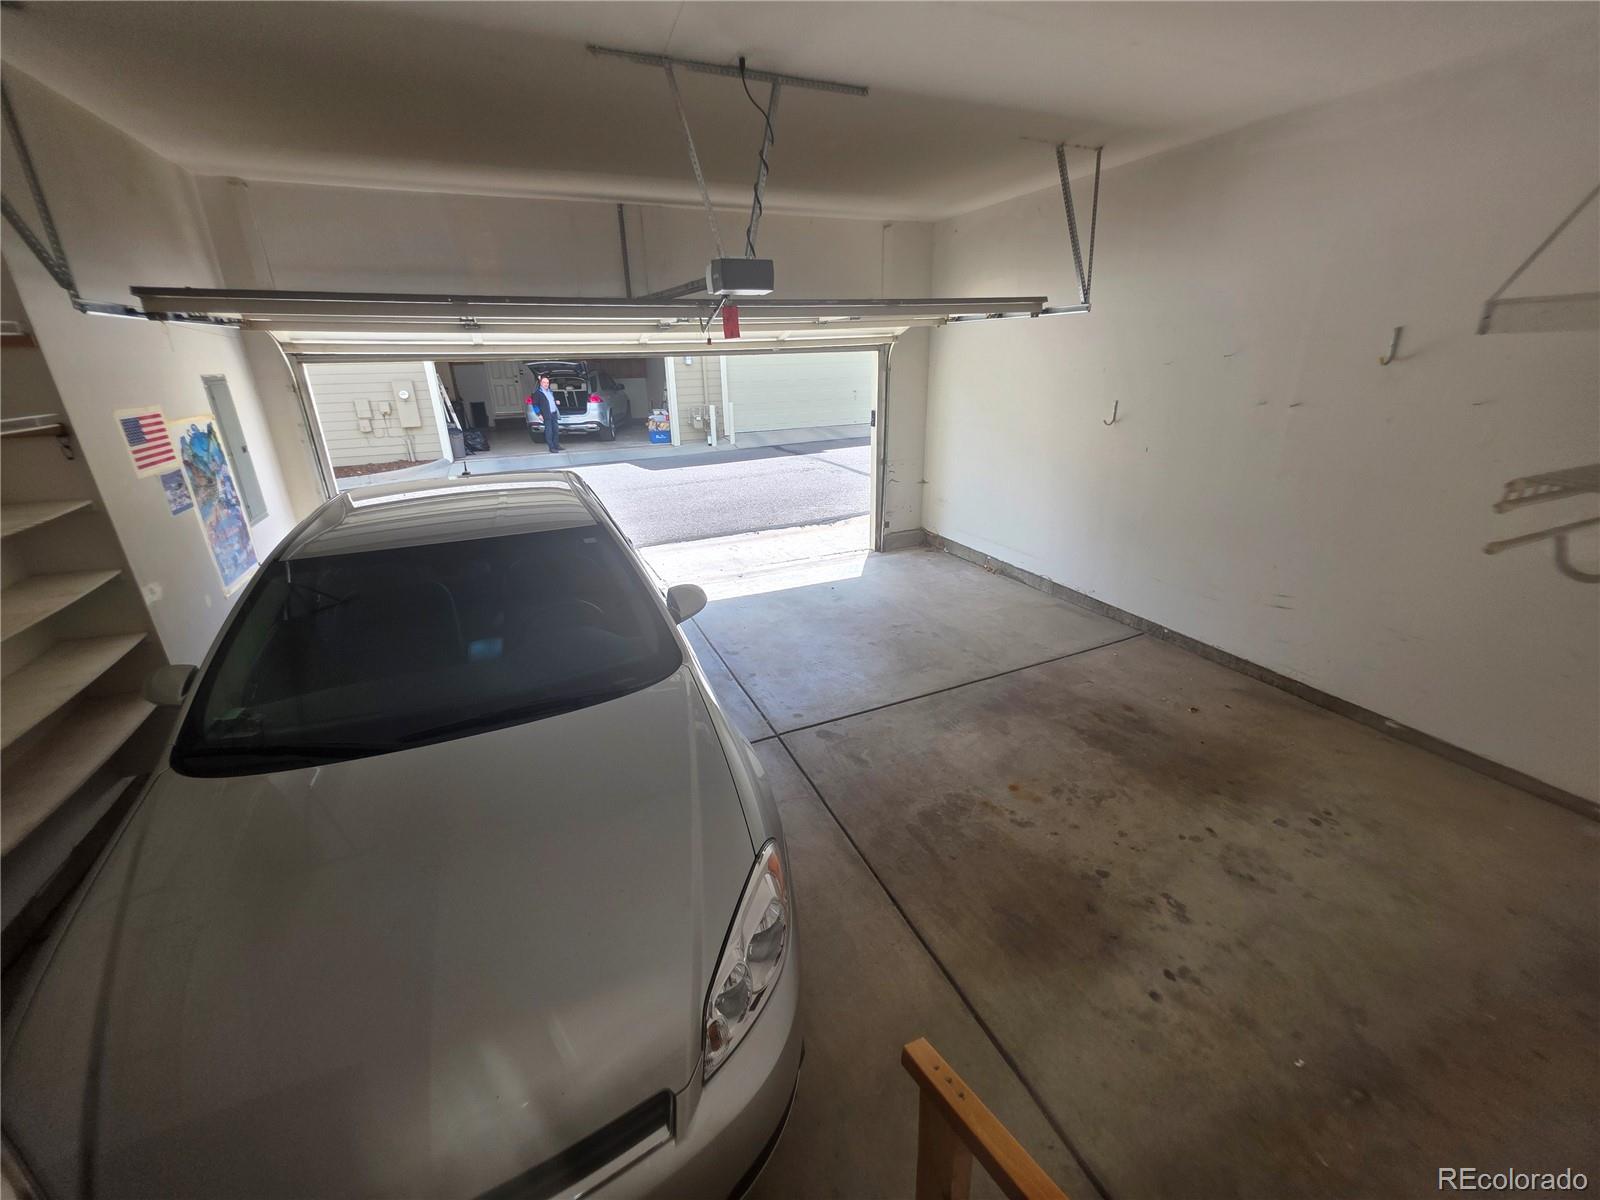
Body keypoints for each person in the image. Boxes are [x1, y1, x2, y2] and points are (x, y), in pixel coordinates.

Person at [535, 374, 561, 453]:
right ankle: (551, 447)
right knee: (549, 432)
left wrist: (556, 402)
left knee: (556, 430)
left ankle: (556, 445)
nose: (546, 384)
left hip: (554, 413)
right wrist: (539, 414)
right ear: (541, 383)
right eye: (544, 382)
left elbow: (551, 401)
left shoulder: (550, 391)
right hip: (546, 415)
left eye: (547, 383)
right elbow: (535, 405)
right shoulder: (538, 393)